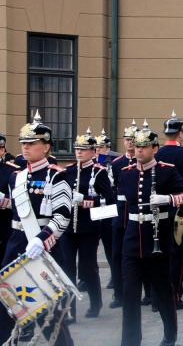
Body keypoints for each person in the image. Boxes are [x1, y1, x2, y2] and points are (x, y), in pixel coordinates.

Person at [119, 121, 183, 346]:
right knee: (130, 295)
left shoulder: (166, 171)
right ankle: (130, 340)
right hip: (133, 240)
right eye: (136, 147)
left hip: (159, 241)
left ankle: (169, 335)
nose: (139, 151)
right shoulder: (126, 173)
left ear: (155, 148)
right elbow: (124, 209)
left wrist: (169, 199)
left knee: (163, 292)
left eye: (144, 147)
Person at [0, 111, 73, 345]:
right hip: (16, 244)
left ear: (46, 146)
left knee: (48, 314)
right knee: (5, 304)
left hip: (42, 249)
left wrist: (42, 239)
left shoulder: (57, 176)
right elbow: (17, 208)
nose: (26, 148)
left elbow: (62, 216)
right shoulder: (16, 177)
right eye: (23, 143)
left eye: (32, 143)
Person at [61, 128, 115, 320]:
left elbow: (110, 200)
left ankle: (96, 302)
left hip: (88, 228)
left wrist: (86, 200)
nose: (79, 152)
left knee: (87, 267)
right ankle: (69, 311)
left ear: (94, 151)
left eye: (83, 149)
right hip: (68, 228)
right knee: (67, 268)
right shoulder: (67, 171)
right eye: (77, 149)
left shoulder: (98, 172)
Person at [154, 110, 183, 310]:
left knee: (160, 255)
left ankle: (158, 297)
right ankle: (175, 296)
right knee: (177, 256)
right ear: (181, 133)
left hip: (159, 210)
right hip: (180, 209)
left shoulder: (158, 153)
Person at [110, 119, 139, 308]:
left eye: (133, 139)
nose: (129, 143)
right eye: (127, 139)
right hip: (120, 213)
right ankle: (118, 293)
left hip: (136, 212)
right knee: (117, 255)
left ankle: (147, 293)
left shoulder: (141, 161)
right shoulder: (117, 163)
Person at [94, 128, 119, 290]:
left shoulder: (111, 163)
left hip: (107, 206)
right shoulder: (90, 164)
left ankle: (114, 275)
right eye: (96, 148)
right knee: (91, 245)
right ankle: (88, 275)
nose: (98, 151)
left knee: (109, 245)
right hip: (93, 206)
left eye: (101, 148)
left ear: (108, 148)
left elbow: (112, 184)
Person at [0, 134, 18, 262]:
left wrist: (3, 199)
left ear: (2, 150)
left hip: (3, 222)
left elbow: (17, 201)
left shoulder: (10, 170)